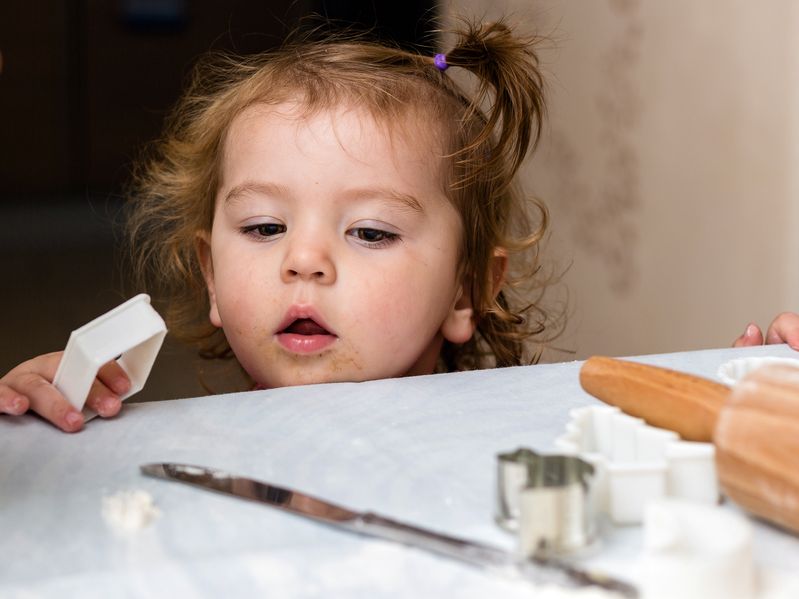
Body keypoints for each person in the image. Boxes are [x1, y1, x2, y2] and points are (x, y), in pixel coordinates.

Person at [0, 20, 556, 432]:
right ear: (211, 275)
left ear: (467, 289)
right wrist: (51, 420)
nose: (303, 260)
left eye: (370, 232)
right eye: (266, 228)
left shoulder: (496, 458)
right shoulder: (210, 453)